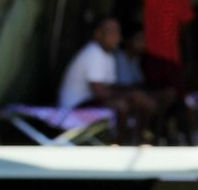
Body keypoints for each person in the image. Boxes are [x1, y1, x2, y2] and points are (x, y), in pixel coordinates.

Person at [129, 0, 196, 145]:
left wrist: (188, 60)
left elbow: (186, 30)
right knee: (161, 100)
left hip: (172, 60)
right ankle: (157, 138)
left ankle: (185, 141)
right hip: (153, 58)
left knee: (178, 100)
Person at [57, 16, 157, 145]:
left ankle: (136, 140)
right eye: (112, 32)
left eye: (118, 33)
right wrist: (131, 95)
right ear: (98, 34)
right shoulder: (93, 52)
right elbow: (100, 92)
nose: (117, 37)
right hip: (74, 107)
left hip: (90, 102)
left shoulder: (108, 56)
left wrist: (134, 93)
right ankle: (120, 144)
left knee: (136, 100)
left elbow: (112, 86)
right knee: (122, 105)